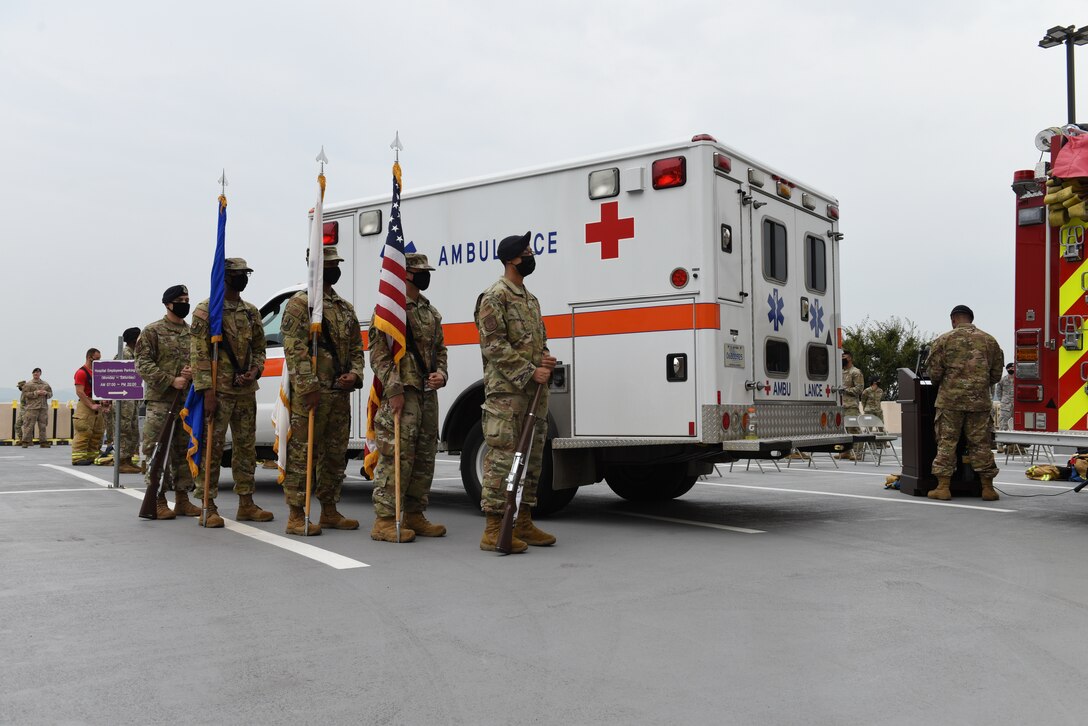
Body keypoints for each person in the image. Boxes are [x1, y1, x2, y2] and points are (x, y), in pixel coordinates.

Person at [475, 231, 557, 553]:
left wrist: (544, 359)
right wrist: (528, 371)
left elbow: (536, 341)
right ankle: (494, 528)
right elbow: (493, 346)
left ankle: (522, 520)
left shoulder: (530, 299)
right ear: (511, 259)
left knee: (532, 458)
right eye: (526, 251)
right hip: (507, 394)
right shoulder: (494, 297)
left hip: (533, 393)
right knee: (503, 460)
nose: (531, 255)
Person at [279, 245, 365, 536]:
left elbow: (356, 346)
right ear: (315, 267)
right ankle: (295, 514)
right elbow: (295, 349)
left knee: (334, 455)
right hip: (312, 395)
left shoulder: (344, 308)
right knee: (303, 454)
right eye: (330, 264)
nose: (335, 268)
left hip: (339, 394)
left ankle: (329, 509)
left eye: (337, 263)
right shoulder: (300, 305)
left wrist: (355, 374)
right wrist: (308, 386)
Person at [368, 252, 449, 543]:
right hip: (402, 393)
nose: (425, 275)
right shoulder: (390, 311)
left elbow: (440, 350)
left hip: (427, 394)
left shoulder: (430, 312)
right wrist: (394, 390)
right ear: (405, 275)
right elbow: (378, 356)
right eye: (420, 271)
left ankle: (414, 513)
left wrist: (442, 374)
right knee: (396, 455)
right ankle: (386, 520)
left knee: (425, 456)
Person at [190, 258, 273, 528]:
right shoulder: (207, 310)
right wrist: (207, 390)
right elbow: (199, 354)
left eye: (245, 274)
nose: (243, 278)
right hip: (218, 390)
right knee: (212, 450)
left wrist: (256, 370)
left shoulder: (251, 312)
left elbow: (260, 347)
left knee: (246, 449)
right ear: (224, 277)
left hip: (245, 390)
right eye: (238, 274)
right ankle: (207, 504)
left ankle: (246, 503)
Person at [927, 304, 1004, 502]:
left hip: (950, 402)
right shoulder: (989, 340)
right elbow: (996, 374)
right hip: (980, 402)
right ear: (971, 318)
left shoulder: (944, 340)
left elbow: (934, 373)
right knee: (981, 443)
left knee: (947, 442)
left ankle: (943, 487)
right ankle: (988, 488)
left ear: (953, 320)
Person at [135, 285, 197, 519]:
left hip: (186, 402)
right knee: (156, 449)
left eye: (187, 299)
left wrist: (192, 375)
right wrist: (171, 380)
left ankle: (182, 498)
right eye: (180, 299)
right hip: (161, 402)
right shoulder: (152, 331)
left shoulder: (192, 333)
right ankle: (158, 499)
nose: (185, 303)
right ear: (168, 303)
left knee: (184, 451)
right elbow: (142, 364)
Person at [102, 328, 143, 473]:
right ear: (134, 340)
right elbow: (113, 376)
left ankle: (128, 460)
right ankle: (121, 461)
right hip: (123, 400)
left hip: (132, 398)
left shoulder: (134, 354)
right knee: (123, 429)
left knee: (132, 430)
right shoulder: (124, 354)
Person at [72, 349, 111, 465]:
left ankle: (92, 455)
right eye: (97, 359)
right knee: (84, 431)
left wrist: (104, 403)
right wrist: (91, 405)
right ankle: (78, 458)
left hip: (96, 405)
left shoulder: (97, 372)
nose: (99, 361)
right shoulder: (81, 372)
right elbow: (80, 392)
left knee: (97, 432)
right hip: (86, 406)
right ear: (90, 357)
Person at [838, 351, 865, 459]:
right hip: (841, 406)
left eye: (843, 357)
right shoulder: (840, 372)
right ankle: (846, 451)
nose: (842, 359)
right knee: (843, 430)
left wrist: (845, 390)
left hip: (851, 406)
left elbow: (859, 389)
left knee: (854, 429)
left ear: (849, 358)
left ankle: (857, 453)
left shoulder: (856, 372)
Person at [20, 368, 52, 447]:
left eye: (38, 373)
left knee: (43, 426)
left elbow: (51, 394)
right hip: (32, 408)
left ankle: (43, 442)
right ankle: (25, 442)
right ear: (33, 374)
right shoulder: (28, 384)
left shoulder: (45, 384)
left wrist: (46, 393)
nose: (36, 374)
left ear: (40, 374)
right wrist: (36, 393)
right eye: (35, 373)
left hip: (43, 408)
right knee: (29, 425)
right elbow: (25, 394)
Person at [995, 363, 1015, 431]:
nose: (1011, 369)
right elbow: (998, 391)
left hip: (1017, 404)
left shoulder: (1018, 379)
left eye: (1012, 368)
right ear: (1007, 369)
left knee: (1017, 422)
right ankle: (1003, 438)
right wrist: (1002, 400)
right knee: (1004, 422)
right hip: (1006, 405)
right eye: (1009, 368)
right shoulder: (1003, 380)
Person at [14, 380, 26, 445]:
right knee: (17, 426)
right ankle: (21, 440)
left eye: (20, 386)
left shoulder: (27, 394)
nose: (19, 388)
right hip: (22, 413)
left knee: (26, 428)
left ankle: (26, 441)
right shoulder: (23, 393)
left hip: (26, 413)